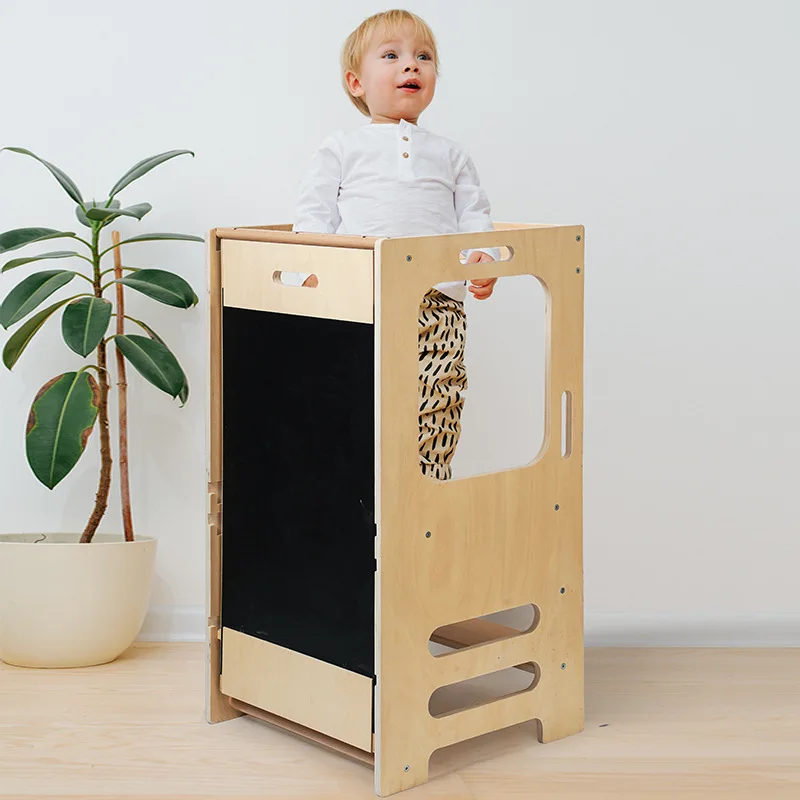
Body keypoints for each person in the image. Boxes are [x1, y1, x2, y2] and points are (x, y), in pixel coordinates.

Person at [290, 9, 499, 481]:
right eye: (392, 55)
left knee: (437, 395)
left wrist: (481, 259)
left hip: (438, 302)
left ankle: (425, 490)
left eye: (423, 56)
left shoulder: (450, 153)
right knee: (352, 397)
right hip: (359, 300)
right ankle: (353, 494)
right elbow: (314, 216)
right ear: (356, 82)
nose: (412, 65)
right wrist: (310, 277)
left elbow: (474, 217)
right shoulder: (342, 147)